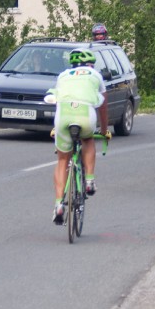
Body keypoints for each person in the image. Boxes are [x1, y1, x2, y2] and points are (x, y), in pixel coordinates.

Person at [51, 50, 109, 225]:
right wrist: (105, 130)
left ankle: (59, 205)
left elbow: (58, 99)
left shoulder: (62, 75)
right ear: (91, 64)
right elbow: (103, 106)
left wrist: (57, 128)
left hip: (63, 115)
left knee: (62, 160)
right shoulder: (96, 75)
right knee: (88, 140)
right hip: (85, 114)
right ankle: (90, 180)